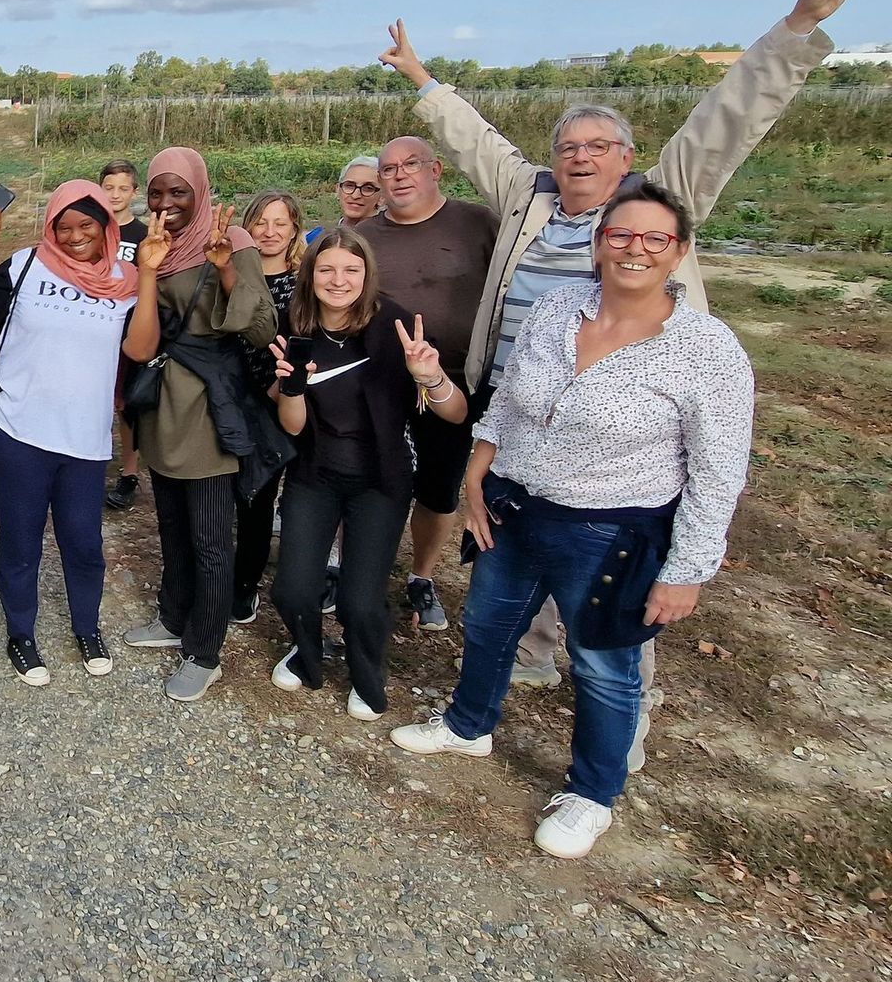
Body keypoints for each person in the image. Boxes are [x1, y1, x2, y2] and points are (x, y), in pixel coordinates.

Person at [377, 0, 866, 707]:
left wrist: (800, 23)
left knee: (604, 542)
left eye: (598, 145)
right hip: (518, 394)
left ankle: (611, 680)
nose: (580, 156)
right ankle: (532, 651)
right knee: (516, 525)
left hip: (619, 408)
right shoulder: (530, 197)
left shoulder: (657, 202)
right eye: (569, 145)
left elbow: (728, 119)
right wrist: (421, 78)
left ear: (627, 159)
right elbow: (476, 142)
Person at [390, 182, 753, 859]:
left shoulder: (706, 348)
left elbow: (718, 471)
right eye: (620, 235)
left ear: (679, 251)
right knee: (489, 624)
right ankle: (468, 725)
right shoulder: (559, 308)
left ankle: (592, 793)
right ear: (599, 244)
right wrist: (477, 473)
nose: (635, 249)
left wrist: (688, 570)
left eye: (655, 238)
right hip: (516, 507)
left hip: (612, 529)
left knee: (603, 664)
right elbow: (510, 398)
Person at [0, 180, 169, 685]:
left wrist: (149, 275)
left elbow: (140, 350)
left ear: (105, 225)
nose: (74, 237)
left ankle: (87, 627)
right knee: (21, 542)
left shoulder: (125, 277)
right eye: (63, 226)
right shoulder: (25, 266)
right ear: (50, 226)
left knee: (83, 542)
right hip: (17, 432)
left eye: (86, 225)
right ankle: (21, 633)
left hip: (85, 440)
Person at [266, 229, 466, 719]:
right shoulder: (295, 325)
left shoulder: (396, 327)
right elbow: (292, 425)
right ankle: (307, 654)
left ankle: (366, 670)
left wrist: (431, 377)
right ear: (310, 275)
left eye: (351, 270)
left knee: (360, 600)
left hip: (380, 478)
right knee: (293, 590)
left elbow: (456, 413)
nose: (339, 280)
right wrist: (289, 388)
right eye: (327, 269)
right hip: (315, 473)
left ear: (366, 275)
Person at [119, 147, 277, 701]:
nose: (166, 203)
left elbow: (263, 329)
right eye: (156, 192)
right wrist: (147, 269)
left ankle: (205, 651)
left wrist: (226, 268)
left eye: (179, 191)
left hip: (209, 412)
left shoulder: (230, 241)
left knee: (211, 540)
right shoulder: (151, 247)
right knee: (171, 526)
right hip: (162, 406)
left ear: (200, 191)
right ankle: (173, 616)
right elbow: (140, 339)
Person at [355, 136, 497, 632]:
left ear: (435, 170)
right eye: (388, 169)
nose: (399, 176)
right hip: (380, 384)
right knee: (367, 480)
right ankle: (352, 569)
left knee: (438, 489)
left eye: (410, 165)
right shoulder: (365, 235)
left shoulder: (478, 223)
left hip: (451, 383)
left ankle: (421, 576)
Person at [231, 190, 309, 621]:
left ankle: (245, 584)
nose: (269, 232)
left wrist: (274, 394)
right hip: (225, 398)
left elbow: (302, 347)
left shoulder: (302, 285)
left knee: (257, 498)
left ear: (295, 228)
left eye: (280, 223)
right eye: (260, 222)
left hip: (274, 404)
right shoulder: (229, 274)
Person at [100, 160, 149, 511]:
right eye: (109, 187)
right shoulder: (92, 229)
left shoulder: (142, 235)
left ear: (135, 192)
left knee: (126, 403)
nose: (115, 195)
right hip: (95, 325)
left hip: (130, 329)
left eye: (123, 188)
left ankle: (129, 472)